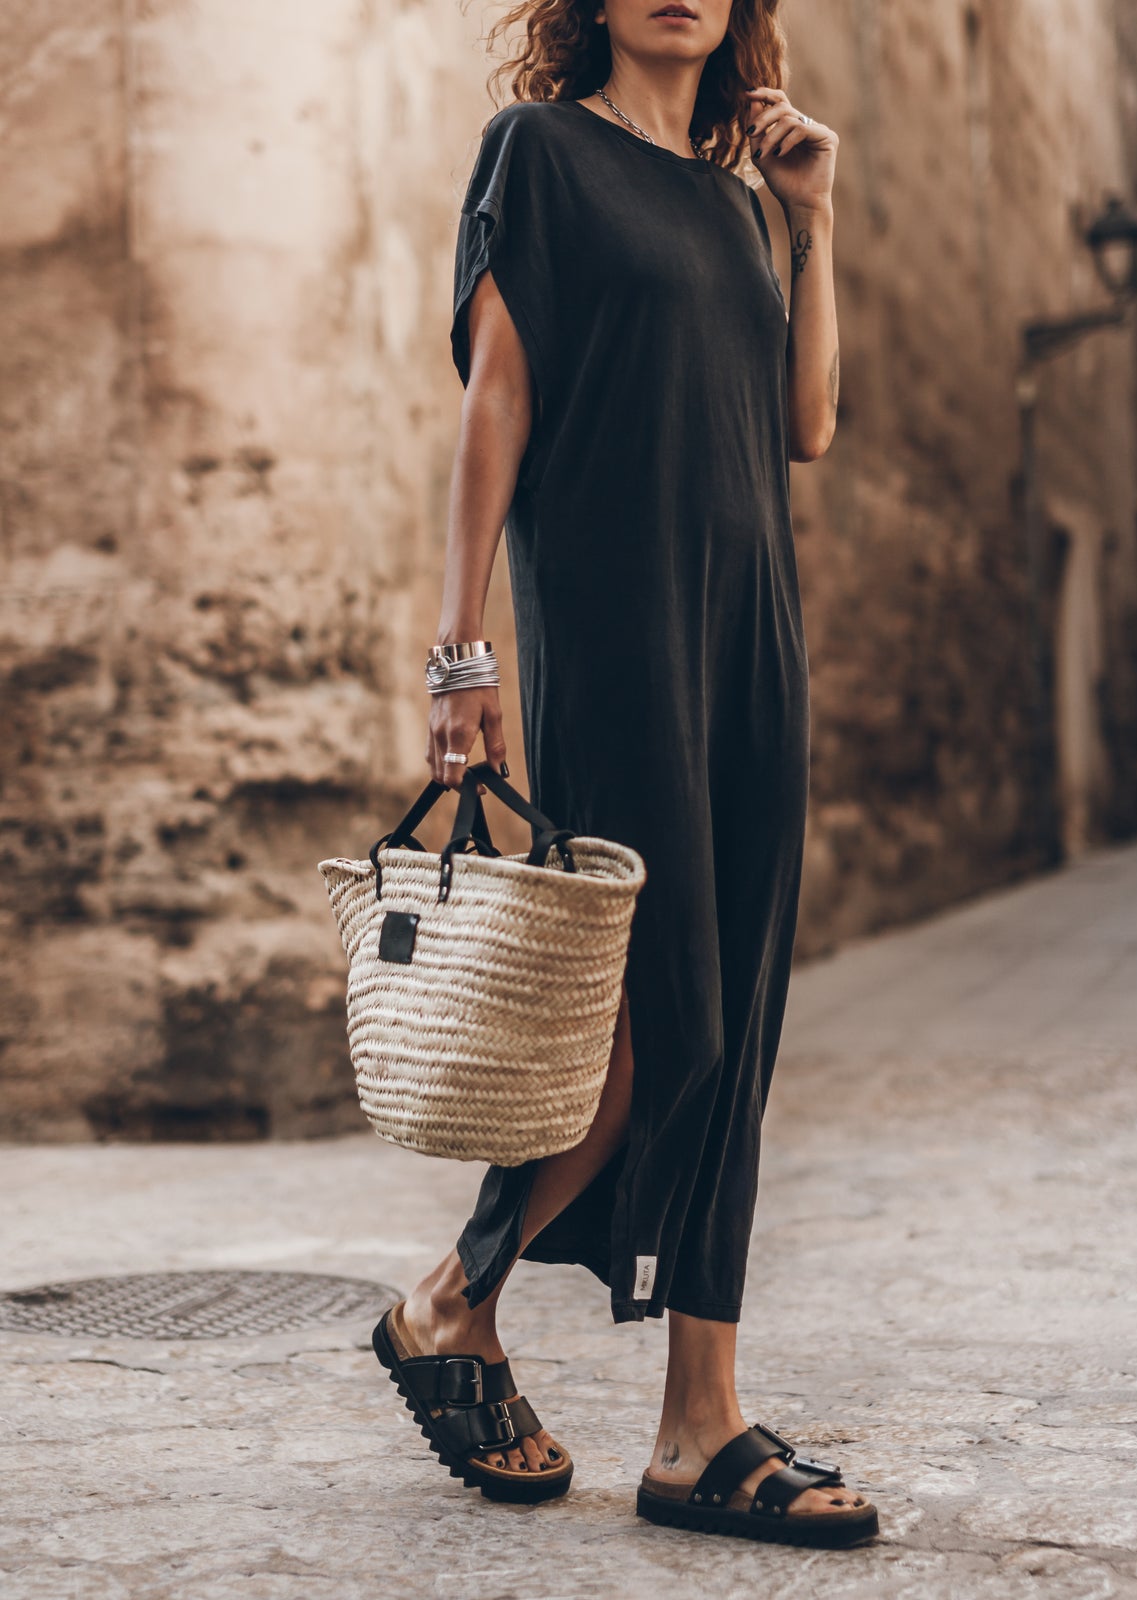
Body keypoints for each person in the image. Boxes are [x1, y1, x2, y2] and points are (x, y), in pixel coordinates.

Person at [370, 0, 880, 1548]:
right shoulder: (540, 153)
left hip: (752, 645)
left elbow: (808, 424)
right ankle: (454, 1300)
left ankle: (695, 1427)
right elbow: (497, 404)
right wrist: (465, 657)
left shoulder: (743, 198)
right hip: (611, 631)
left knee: (738, 1031)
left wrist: (817, 223)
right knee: (656, 1019)